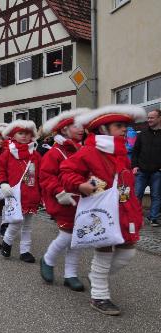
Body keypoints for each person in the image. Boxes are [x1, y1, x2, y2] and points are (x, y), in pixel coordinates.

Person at [61, 105, 146, 315]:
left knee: (128, 251)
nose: (124, 129)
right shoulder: (89, 151)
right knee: (105, 251)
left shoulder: (121, 153)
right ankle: (99, 295)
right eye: (119, 125)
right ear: (103, 129)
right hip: (101, 210)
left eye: (125, 126)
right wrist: (80, 185)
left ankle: (96, 276)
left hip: (123, 209)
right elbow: (67, 171)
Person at [39, 109, 88, 291]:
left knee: (78, 237)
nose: (81, 129)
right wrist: (60, 192)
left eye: (83, 125)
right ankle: (48, 259)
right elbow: (46, 177)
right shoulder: (55, 153)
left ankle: (71, 274)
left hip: (83, 199)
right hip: (65, 200)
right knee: (67, 235)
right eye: (76, 126)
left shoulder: (83, 150)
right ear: (64, 130)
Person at [0, 120, 41, 262]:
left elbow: (41, 175)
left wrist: (43, 194)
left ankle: (25, 251)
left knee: (27, 225)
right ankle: (7, 243)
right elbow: (0, 170)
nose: (24, 136)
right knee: (16, 222)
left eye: (27, 134)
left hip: (31, 194)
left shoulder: (36, 155)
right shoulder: (8, 153)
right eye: (21, 133)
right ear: (14, 135)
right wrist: (3, 183)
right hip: (14, 194)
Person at [131, 109, 161, 227]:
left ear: (159, 118)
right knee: (137, 194)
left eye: (152, 117)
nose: (149, 120)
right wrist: (134, 166)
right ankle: (135, 217)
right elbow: (135, 152)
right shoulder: (142, 134)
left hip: (157, 172)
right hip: (141, 171)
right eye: (148, 118)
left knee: (156, 195)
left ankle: (153, 218)